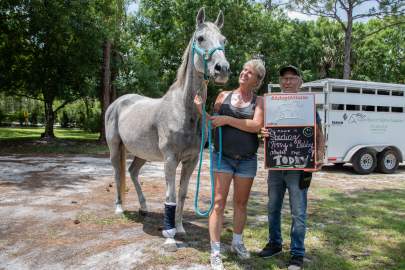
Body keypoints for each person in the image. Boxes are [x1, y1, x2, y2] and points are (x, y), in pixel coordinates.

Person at [195, 59, 265, 270]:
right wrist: (200, 110)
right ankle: (215, 251)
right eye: (243, 69)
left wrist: (227, 120)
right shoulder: (223, 96)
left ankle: (237, 242)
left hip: (247, 160)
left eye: (250, 72)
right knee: (218, 203)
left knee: (241, 204)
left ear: (257, 80)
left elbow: (256, 126)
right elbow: (212, 120)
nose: (244, 73)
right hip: (222, 157)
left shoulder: (259, 101)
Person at [258, 65, 325, 270]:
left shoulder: (307, 105)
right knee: (273, 208)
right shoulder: (272, 105)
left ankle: (297, 253)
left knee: (298, 211)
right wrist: (263, 135)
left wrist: (319, 155)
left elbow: (319, 133)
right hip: (276, 166)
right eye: (284, 78)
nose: (287, 81)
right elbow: (263, 133)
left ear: (300, 82)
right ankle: (275, 243)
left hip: (299, 168)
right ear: (280, 82)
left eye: (292, 78)